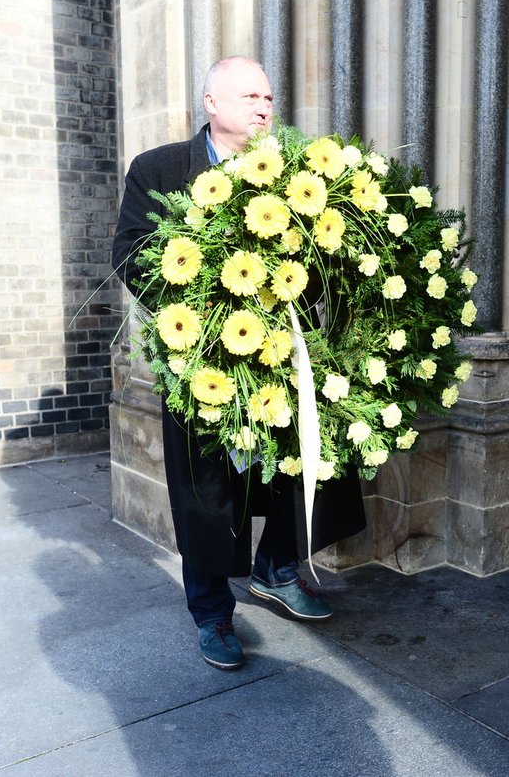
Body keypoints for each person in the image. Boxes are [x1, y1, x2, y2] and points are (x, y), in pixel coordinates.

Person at [112, 56, 366, 671]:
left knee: (304, 453)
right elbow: (130, 254)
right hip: (203, 353)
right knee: (206, 488)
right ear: (211, 104)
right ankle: (212, 612)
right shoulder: (160, 169)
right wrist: (203, 309)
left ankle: (277, 569)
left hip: (285, 347)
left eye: (270, 97)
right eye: (251, 95)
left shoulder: (291, 174)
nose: (264, 107)